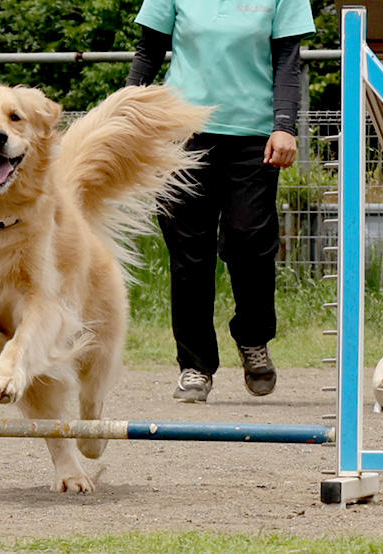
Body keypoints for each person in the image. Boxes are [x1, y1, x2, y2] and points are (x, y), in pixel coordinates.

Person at [126, 1, 316, 402]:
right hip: (182, 132)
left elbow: (288, 61)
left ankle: (253, 337)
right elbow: (149, 51)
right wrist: (124, 114)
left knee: (250, 239)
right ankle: (195, 366)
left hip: (254, 134)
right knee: (188, 254)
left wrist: (284, 125)